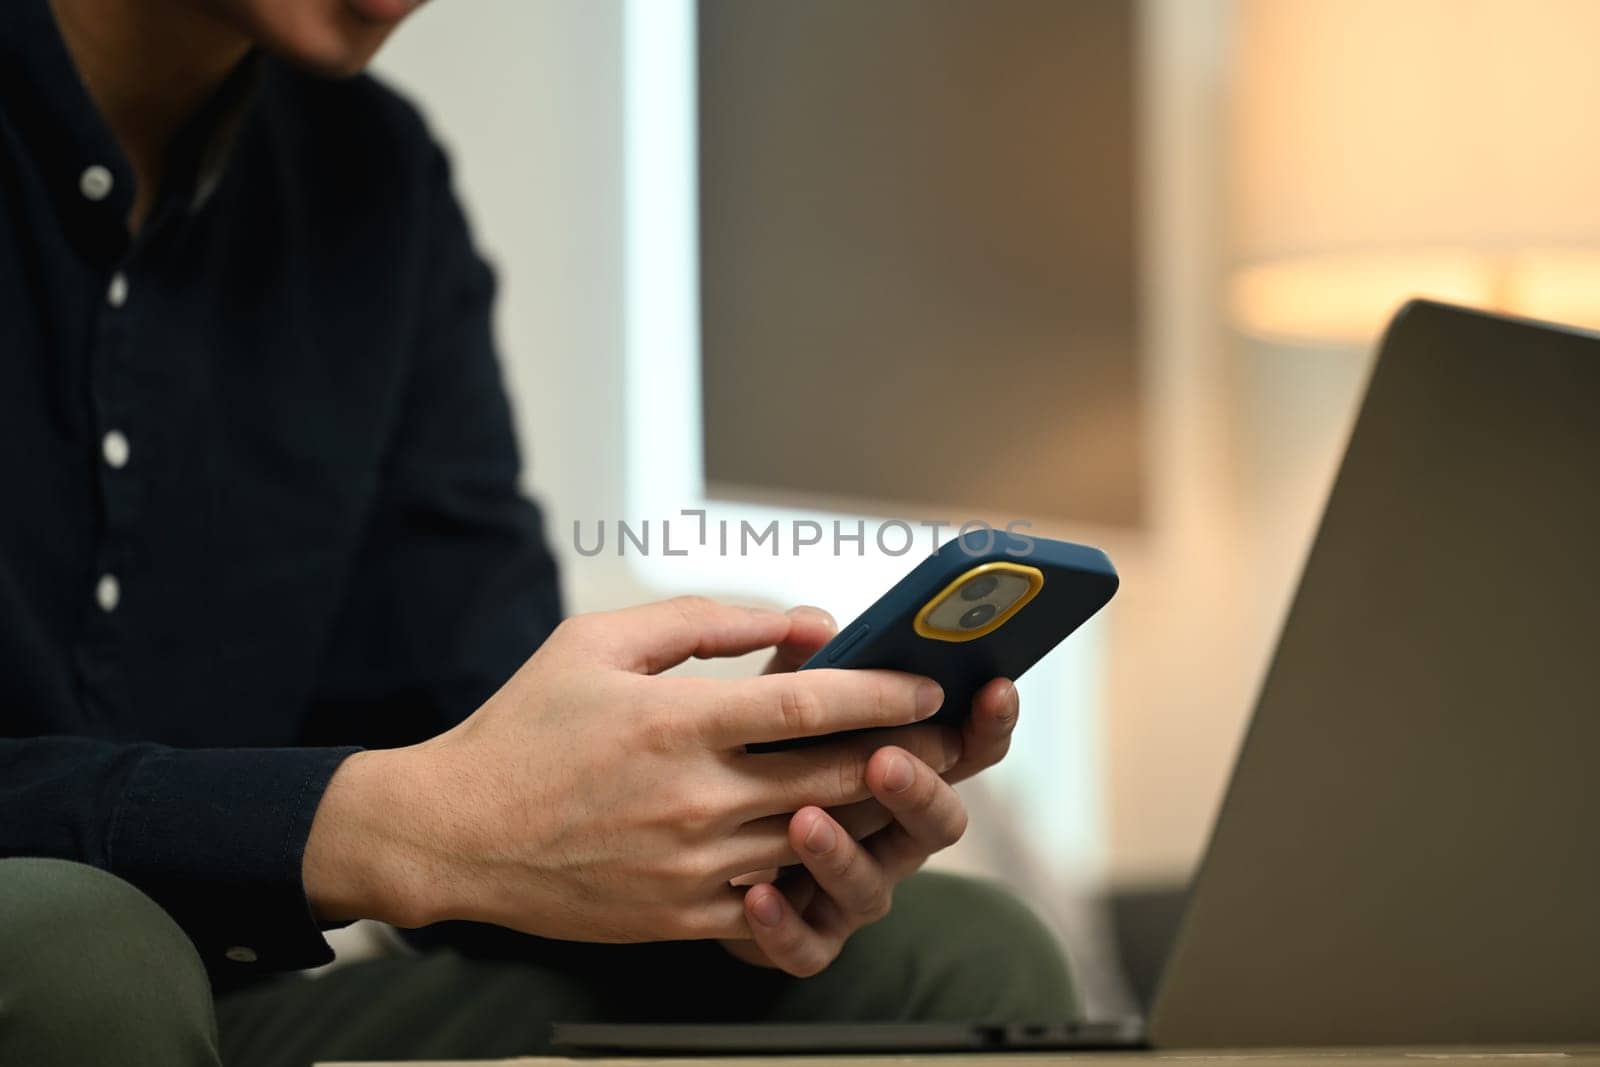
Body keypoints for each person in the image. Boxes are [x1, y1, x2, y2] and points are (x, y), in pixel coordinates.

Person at [0, 1, 1075, 1063]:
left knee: (961, 958)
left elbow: (474, 756)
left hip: (231, 1003)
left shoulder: (374, 180)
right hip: (74, 978)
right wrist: (368, 825)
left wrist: (714, 851)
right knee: (82, 951)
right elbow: (417, 821)